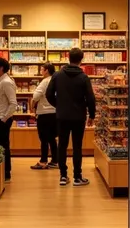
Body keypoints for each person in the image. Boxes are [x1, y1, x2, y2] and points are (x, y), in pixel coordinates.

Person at [46, 47, 96, 187]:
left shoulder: (57, 75)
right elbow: (90, 98)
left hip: (62, 116)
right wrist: (91, 114)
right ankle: (77, 177)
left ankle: (63, 176)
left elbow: (49, 94)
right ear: (81, 59)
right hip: (78, 116)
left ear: (68, 57)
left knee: (62, 145)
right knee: (77, 146)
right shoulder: (83, 77)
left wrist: (58, 105)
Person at [0, 57, 17, 182]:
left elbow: (13, 103)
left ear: (1, 68)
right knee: (0, 146)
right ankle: (2, 172)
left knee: (3, 146)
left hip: (2, 119)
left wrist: (4, 118)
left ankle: (6, 173)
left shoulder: (6, 82)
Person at [30, 63, 58, 170]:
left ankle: (43, 161)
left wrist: (33, 106)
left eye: (42, 69)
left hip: (44, 113)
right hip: (55, 112)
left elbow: (36, 96)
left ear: (46, 70)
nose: (41, 72)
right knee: (52, 138)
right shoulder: (57, 81)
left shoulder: (45, 81)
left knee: (44, 139)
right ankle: (55, 160)